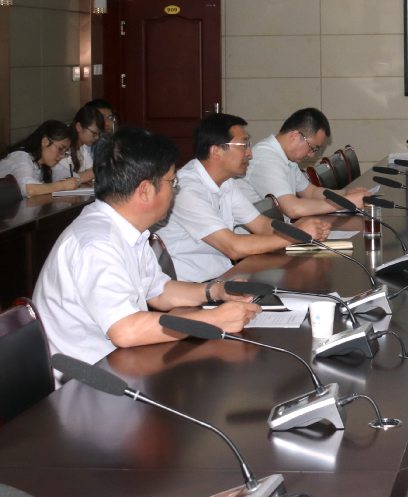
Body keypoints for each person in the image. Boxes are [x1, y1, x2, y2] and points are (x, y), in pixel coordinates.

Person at [33, 125, 261, 367]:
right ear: (145, 190)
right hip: (88, 377)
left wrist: (216, 291)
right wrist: (213, 319)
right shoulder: (97, 243)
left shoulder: (126, 229)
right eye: (172, 182)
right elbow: (125, 330)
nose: (175, 190)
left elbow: (159, 292)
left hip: (120, 362)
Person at [157, 113, 331, 282]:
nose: (250, 153)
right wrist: (295, 237)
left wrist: (297, 230)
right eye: (243, 145)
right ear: (216, 151)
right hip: (190, 288)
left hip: (223, 278)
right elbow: (233, 247)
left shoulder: (227, 182)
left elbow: (262, 225)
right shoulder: (186, 190)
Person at [236, 107, 372, 216]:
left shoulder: (286, 157)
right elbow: (293, 209)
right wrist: (345, 203)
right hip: (259, 239)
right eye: (312, 148)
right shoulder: (265, 160)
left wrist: (346, 194)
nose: (311, 155)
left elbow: (310, 192)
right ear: (294, 136)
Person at [0, 120, 80, 198]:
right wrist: (62, 185)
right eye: (60, 149)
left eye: (65, 152)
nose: (62, 156)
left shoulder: (45, 162)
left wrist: (69, 182)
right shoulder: (20, 158)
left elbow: (75, 177)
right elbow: (29, 190)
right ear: (45, 142)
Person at [53, 103, 107, 185]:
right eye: (94, 133)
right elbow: (65, 179)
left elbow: (90, 171)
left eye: (99, 134)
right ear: (78, 127)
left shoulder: (83, 147)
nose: (96, 138)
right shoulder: (63, 147)